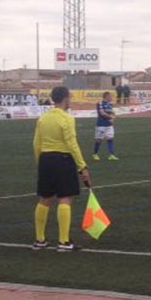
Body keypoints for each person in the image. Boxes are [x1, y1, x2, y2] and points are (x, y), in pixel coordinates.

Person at [32, 85, 91, 251]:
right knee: (65, 198)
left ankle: (39, 240)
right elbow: (72, 144)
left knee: (45, 198)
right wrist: (82, 167)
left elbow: (36, 143)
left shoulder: (43, 118)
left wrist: (40, 163)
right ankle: (64, 241)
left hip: (45, 159)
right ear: (65, 99)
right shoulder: (67, 118)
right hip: (63, 159)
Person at [92, 90, 118, 161]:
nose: (111, 98)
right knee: (99, 140)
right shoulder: (100, 103)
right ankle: (95, 154)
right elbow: (102, 113)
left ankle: (111, 155)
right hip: (101, 125)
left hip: (109, 125)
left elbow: (113, 112)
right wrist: (110, 117)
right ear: (106, 96)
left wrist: (113, 118)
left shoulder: (110, 104)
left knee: (110, 138)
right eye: (110, 96)